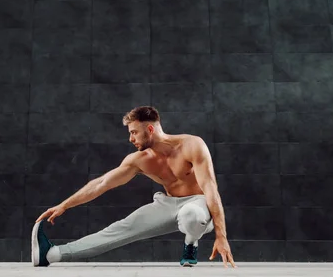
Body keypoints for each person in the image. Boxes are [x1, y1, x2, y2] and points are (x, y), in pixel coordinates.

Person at [31, 106, 237, 268]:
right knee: (121, 228)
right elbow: (101, 183)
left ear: (149, 129)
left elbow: (211, 190)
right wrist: (64, 205)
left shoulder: (192, 145)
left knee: (191, 214)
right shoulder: (139, 160)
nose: (130, 139)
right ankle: (51, 254)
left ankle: (190, 244)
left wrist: (221, 236)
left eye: (133, 132)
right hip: (168, 204)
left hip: (199, 205)